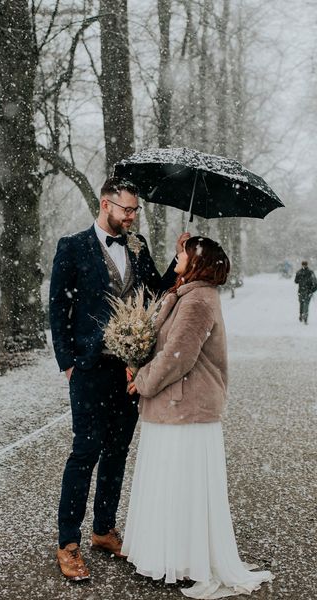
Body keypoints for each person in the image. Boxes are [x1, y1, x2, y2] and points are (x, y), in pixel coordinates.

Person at [49, 177, 188, 581]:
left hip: (129, 370)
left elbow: (158, 291)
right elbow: (58, 308)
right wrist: (68, 362)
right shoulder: (72, 247)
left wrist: (177, 262)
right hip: (90, 368)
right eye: (126, 209)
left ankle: (103, 530)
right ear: (105, 203)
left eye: (135, 211)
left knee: (117, 451)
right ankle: (68, 543)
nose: (131, 217)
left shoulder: (138, 245)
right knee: (85, 452)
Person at [123, 236, 274, 598]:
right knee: (170, 481)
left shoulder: (199, 301)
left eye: (182, 254)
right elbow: (163, 341)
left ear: (196, 263)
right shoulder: (187, 295)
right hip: (175, 405)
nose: (175, 256)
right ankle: (168, 554)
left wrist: (142, 380)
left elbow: (178, 356)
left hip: (185, 406)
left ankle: (184, 559)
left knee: (180, 484)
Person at [294, 260, 317, 324]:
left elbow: (296, 281)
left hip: (301, 291)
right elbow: (315, 282)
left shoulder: (299, 272)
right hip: (308, 291)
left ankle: (301, 315)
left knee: (302, 304)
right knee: (306, 304)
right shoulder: (311, 272)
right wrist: (312, 290)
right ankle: (305, 317)